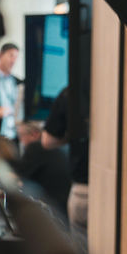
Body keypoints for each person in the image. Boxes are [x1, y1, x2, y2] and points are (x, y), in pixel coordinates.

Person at [42, 86, 89, 238]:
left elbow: (47, 140)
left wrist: (75, 135)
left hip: (84, 188)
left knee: (82, 250)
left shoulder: (71, 92)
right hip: (120, 190)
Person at [14, 120, 71, 216]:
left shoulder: (36, 147)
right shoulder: (56, 146)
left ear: (34, 134)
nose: (21, 141)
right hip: (64, 203)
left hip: (53, 206)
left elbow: (18, 175)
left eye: (21, 135)